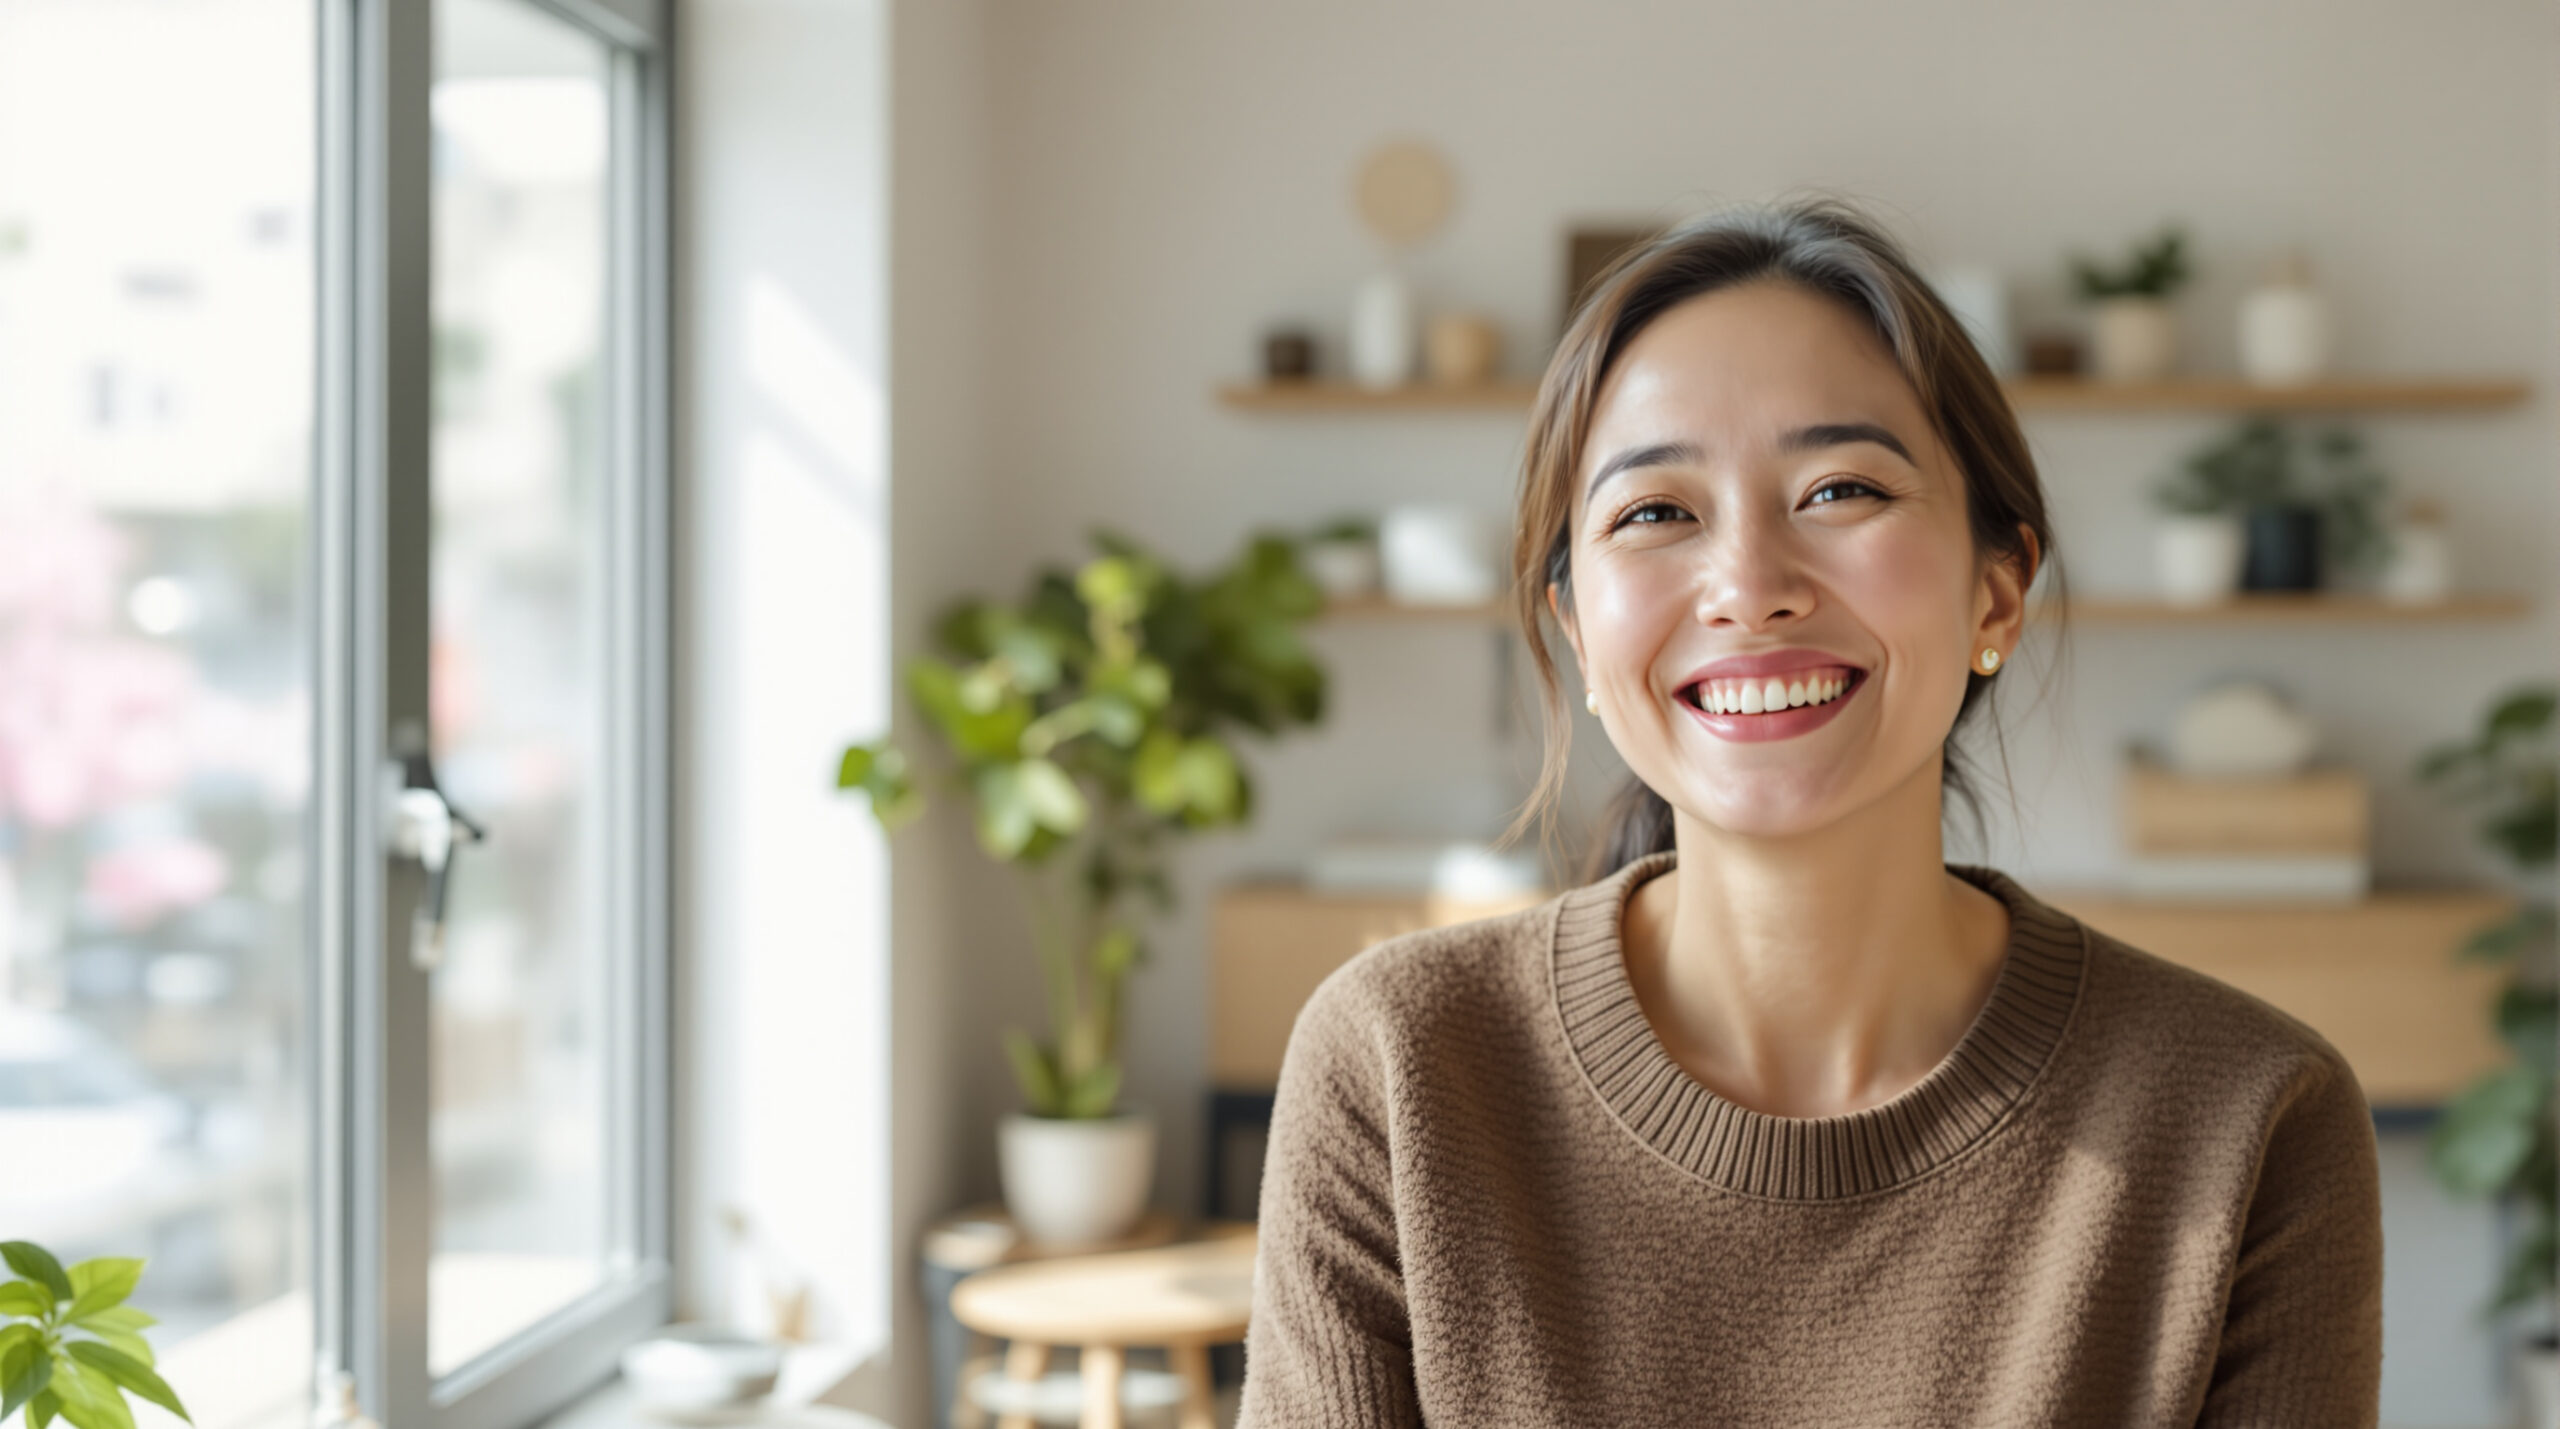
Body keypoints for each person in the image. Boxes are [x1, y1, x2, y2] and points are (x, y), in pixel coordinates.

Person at [1236, 198, 2383, 1426]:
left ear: (1996, 594)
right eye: (1655, 513)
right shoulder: (1402, 1065)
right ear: (1576, 631)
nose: (1748, 588)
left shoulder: (2252, 1114)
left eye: (1840, 489)